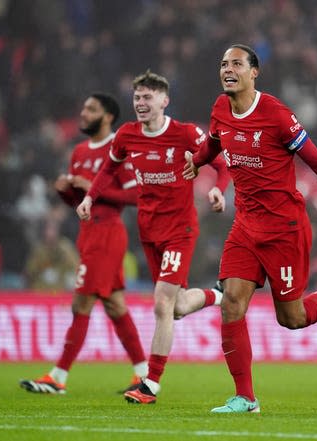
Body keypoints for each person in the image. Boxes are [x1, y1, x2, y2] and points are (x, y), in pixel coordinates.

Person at [183, 44, 317, 413]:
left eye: (237, 63)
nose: (228, 69)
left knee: (292, 318)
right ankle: (245, 397)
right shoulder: (219, 109)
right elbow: (213, 145)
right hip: (245, 225)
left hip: (284, 228)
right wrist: (196, 163)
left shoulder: (276, 115)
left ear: (254, 72)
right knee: (231, 304)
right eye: (224, 64)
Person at [77, 70, 230, 404]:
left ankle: (151, 384)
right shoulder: (127, 135)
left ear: (165, 100)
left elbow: (222, 165)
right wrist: (89, 198)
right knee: (174, 308)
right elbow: (109, 170)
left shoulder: (186, 133)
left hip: (180, 230)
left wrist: (218, 192)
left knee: (161, 302)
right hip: (148, 232)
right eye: (137, 98)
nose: (141, 104)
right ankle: (219, 295)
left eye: (147, 98)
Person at [20, 93, 147, 394]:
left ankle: (57, 378)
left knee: (81, 303)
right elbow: (79, 203)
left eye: (91, 109)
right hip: (88, 231)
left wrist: (94, 189)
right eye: (84, 107)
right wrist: (66, 191)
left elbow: (134, 196)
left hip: (108, 233)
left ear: (107, 117)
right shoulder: (78, 151)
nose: (83, 113)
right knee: (115, 306)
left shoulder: (119, 147)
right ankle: (144, 374)